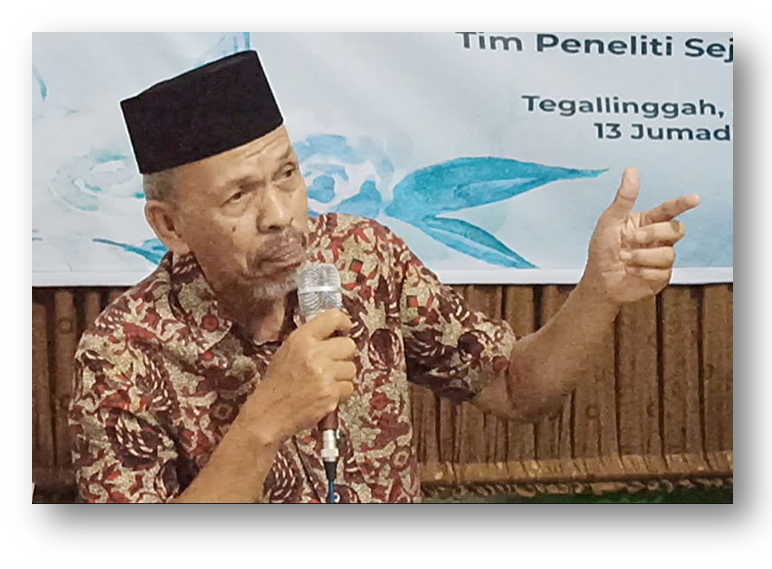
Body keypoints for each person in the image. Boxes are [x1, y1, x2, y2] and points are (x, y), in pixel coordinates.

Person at [68, 50, 700, 503]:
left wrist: (598, 291)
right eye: (239, 196)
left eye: (287, 175)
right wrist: (265, 422)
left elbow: (516, 390)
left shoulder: (362, 258)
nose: (280, 215)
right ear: (171, 226)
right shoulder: (122, 355)